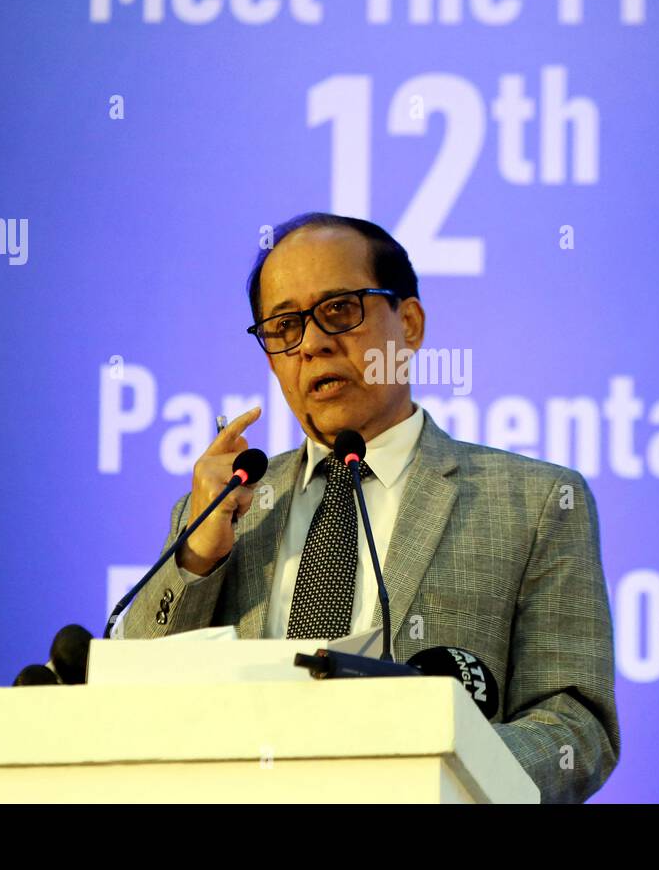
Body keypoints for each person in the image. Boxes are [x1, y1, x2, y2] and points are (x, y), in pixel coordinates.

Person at [121, 212, 619, 802]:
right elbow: (135, 698)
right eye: (284, 326)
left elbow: (575, 725)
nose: (312, 343)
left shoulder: (534, 502)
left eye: (339, 310)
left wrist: (436, 765)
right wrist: (199, 558)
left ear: (409, 323)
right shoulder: (223, 510)